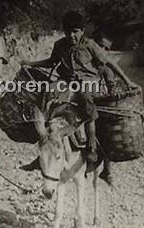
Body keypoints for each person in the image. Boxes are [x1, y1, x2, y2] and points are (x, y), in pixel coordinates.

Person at [20, 11, 137, 185]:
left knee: (86, 101)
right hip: (66, 83)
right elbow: (51, 62)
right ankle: (46, 148)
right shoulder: (60, 45)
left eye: (75, 31)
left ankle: (91, 146)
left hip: (87, 84)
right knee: (45, 96)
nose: (71, 36)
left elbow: (110, 63)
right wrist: (31, 63)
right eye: (68, 32)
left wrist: (128, 81)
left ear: (82, 30)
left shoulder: (90, 45)